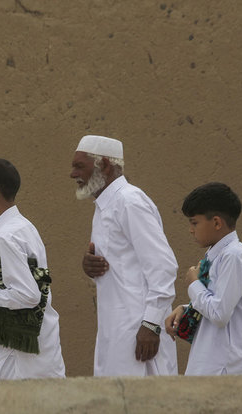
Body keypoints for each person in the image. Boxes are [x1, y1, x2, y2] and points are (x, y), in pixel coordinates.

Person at [70, 135, 177, 376]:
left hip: (139, 334)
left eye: (79, 166)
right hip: (116, 332)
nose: (73, 174)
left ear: (105, 166)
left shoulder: (130, 202)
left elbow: (163, 266)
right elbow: (123, 267)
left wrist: (150, 324)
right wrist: (90, 266)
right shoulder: (103, 207)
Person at [0, 159, 65, 380]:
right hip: (39, 353)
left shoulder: (7, 236)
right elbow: (30, 301)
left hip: (21, 364)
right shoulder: (26, 229)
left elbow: (28, 295)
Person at [165, 182, 242, 375]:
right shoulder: (217, 255)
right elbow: (218, 302)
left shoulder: (234, 256)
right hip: (209, 364)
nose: (191, 230)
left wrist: (194, 284)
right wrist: (186, 308)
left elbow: (220, 313)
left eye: (194, 222)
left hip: (223, 369)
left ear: (216, 222)